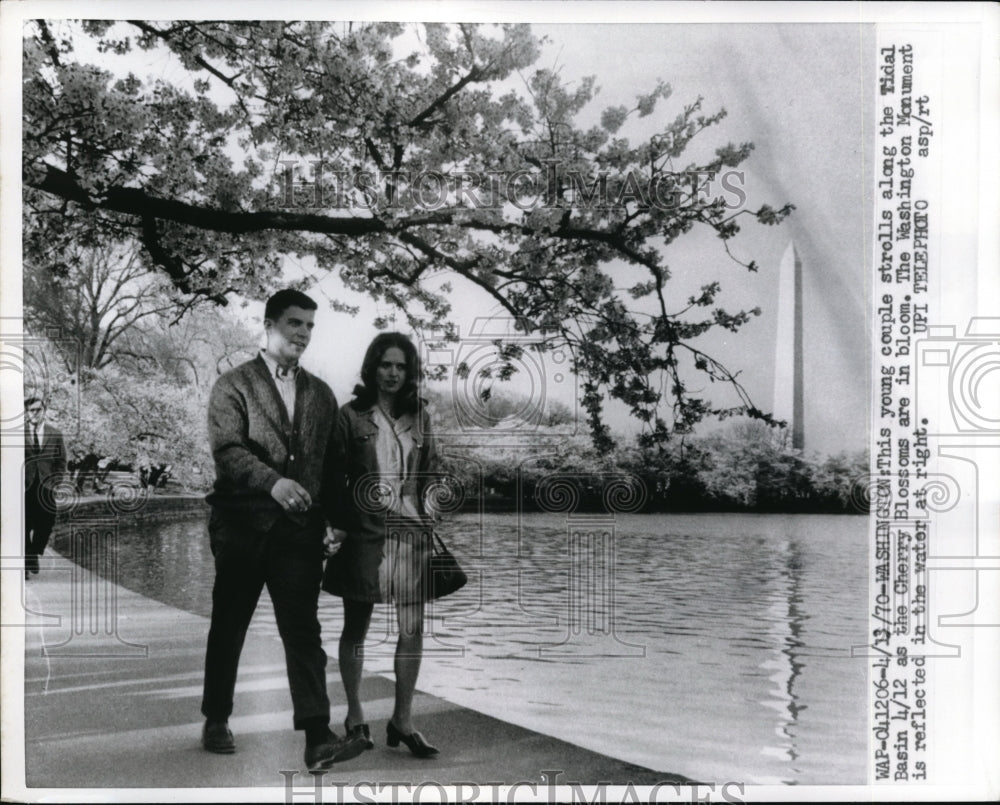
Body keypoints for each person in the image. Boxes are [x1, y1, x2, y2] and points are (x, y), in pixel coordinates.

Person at [200, 289, 366, 770]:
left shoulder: (321, 393)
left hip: (298, 533)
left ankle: (318, 736)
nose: (303, 334)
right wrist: (272, 483)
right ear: (269, 325)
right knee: (230, 625)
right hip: (240, 527)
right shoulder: (232, 386)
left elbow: (333, 467)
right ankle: (216, 717)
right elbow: (228, 452)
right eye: (295, 323)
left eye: (310, 326)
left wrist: (337, 521)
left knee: (302, 631)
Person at [322, 332, 443, 758]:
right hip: (364, 532)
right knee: (357, 626)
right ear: (372, 367)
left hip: (410, 532)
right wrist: (338, 526)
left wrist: (430, 505)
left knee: (412, 627)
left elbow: (431, 475)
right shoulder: (349, 416)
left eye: (401, 366)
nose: (392, 373)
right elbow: (332, 478)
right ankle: (356, 717)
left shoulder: (421, 418)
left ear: (410, 372)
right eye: (385, 364)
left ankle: (403, 720)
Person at [23, 397, 66, 578]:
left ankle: (34, 551)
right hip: (23, 486)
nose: (35, 413)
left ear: (44, 411)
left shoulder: (55, 434)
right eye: (31, 410)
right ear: (26, 412)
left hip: (46, 486)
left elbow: (61, 461)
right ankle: (26, 562)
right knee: (23, 525)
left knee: (47, 521)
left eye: (38, 409)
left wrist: (56, 482)